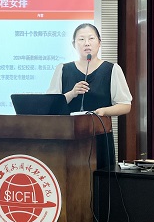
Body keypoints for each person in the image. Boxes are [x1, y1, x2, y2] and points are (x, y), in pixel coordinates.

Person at [46, 23, 132, 169]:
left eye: (91, 38)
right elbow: (50, 104)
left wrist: (103, 111)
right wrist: (71, 93)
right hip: (68, 138)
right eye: (81, 39)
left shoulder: (112, 69)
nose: (86, 43)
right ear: (74, 44)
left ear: (99, 42)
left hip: (100, 137)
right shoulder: (63, 69)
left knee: (101, 178)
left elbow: (125, 105)